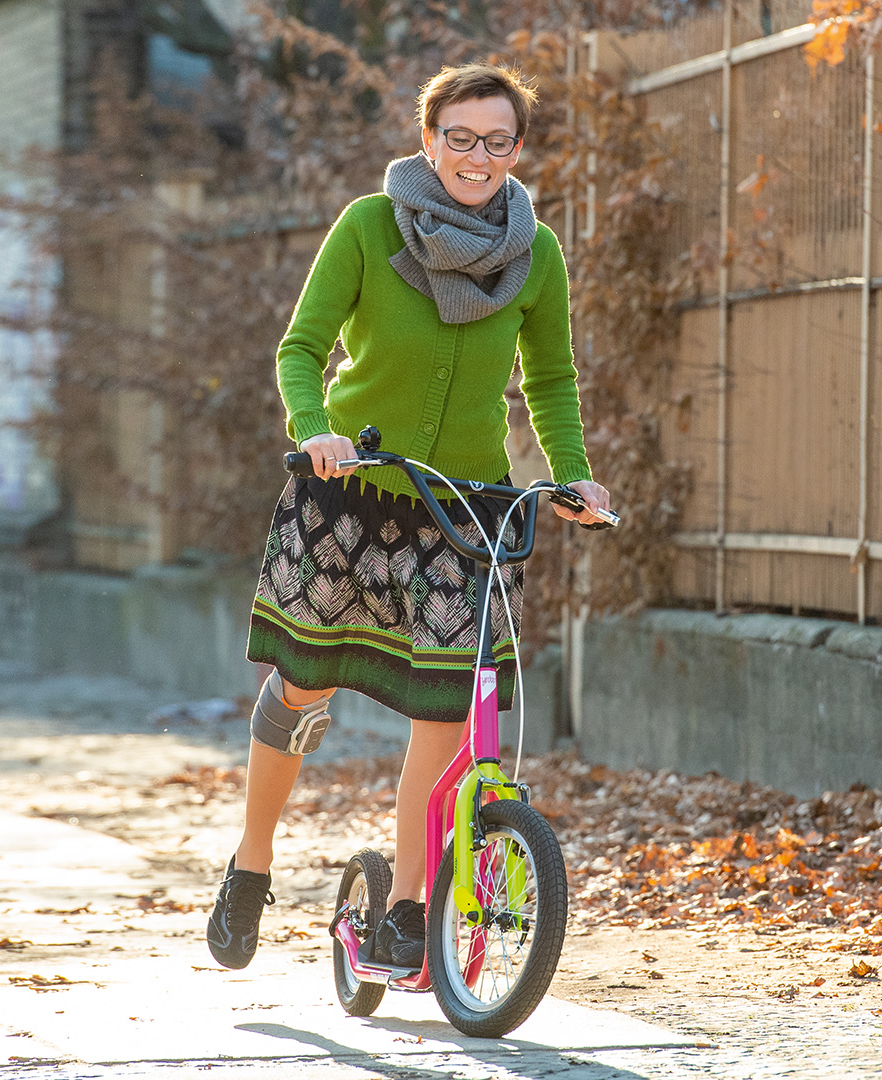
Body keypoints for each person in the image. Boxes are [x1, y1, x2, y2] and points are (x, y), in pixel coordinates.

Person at [204, 63, 613, 972]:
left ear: (516, 150)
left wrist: (574, 478)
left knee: (448, 711)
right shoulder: (369, 224)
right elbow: (302, 349)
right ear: (428, 141)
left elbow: (547, 380)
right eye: (459, 137)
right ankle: (252, 863)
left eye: (496, 140)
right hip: (348, 498)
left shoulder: (534, 251)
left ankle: (405, 906)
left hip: (462, 513)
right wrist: (317, 433)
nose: (477, 155)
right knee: (304, 689)